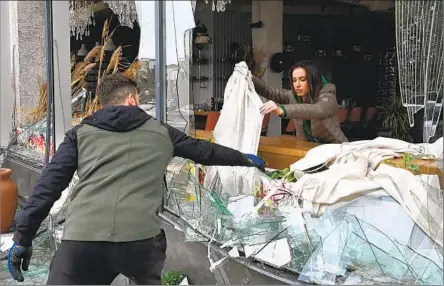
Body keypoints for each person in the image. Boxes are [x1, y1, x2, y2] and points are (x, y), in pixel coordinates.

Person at [8, 73, 265, 285]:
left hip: (82, 241)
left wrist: (23, 238)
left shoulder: (80, 135)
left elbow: (47, 188)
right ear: (132, 99)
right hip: (141, 244)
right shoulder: (162, 133)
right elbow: (205, 152)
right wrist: (245, 158)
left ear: (104, 103)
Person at [253, 60, 348, 143]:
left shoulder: (327, 93)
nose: (297, 85)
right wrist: (249, 77)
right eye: (294, 80)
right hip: (308, 148)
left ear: (313, 80)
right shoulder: (293, 96)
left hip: (335, 149)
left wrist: (282, 110)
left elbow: (319, 110)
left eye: (302, 79)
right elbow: (269, 91)